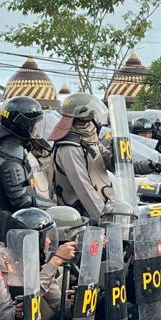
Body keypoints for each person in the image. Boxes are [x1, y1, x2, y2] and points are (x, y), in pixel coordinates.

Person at [0, 96, 47, 238]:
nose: (36, 128)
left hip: (11, 225)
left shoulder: (5, 148)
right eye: (33, 123)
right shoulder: (9, 158)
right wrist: (55, 208)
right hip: (12, 230)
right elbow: (22, 200)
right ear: (22, 125)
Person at [50, 92, 114, 224]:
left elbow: (110, 161)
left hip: (100, 209)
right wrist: (105, 221)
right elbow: (84, 190)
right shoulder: (69, 148)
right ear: (86, 117)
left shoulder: (89, 138)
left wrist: (150, 165)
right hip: (80, 219)